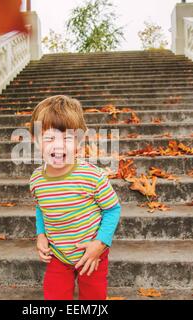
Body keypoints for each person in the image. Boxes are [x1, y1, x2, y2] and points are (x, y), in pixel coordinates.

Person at [28, 95, 121, 300]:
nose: (59, 146)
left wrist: (100, 243)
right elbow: (41, 208)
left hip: (91, 253)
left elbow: (112, 209)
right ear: (36, 140)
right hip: (58, 255)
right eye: (50, 138)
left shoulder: (91, 175)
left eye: (68, 138)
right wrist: (41, 234)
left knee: (93, 298)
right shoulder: (36, 179)